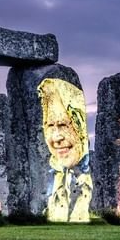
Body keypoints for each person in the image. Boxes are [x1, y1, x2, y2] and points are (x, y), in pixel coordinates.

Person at [37, 78, 92, 223]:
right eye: (49, 125)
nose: (56, 137)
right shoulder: (50, 180)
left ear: (79, 125)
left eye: (63, 125)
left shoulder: (93, 181)